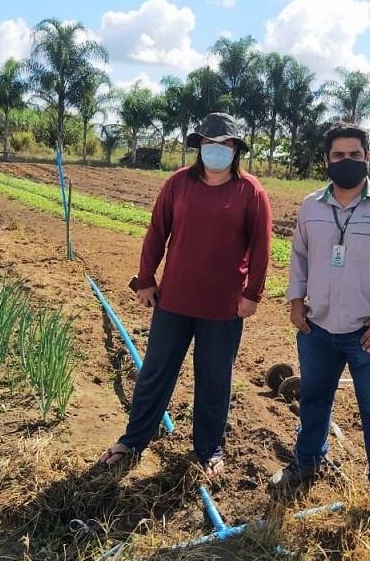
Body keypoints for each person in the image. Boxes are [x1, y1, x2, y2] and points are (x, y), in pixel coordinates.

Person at [98, 112, 272, 477]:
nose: (216, 150)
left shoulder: (250, 191)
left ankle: (209, 449)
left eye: (224, 144)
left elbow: (261, 247)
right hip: (174, 301)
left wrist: (252, 293)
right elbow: (157, 231)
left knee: (213, 379)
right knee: (156, 372)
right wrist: (145, 278)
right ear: (199, 147)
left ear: (236, 149)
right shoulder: (178, 184)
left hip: (223, 308)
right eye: (209, 144)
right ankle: (133, 441)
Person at [270, 122, 370, 530]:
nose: (346, 162)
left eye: (355, 155)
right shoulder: (311, 207)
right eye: (338, 156)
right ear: (326, 160)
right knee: (314, 401)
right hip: (317, 329)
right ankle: (306, 464)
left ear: (367, 158)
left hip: (368, 335)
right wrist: (295, 301)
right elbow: (299, 256)